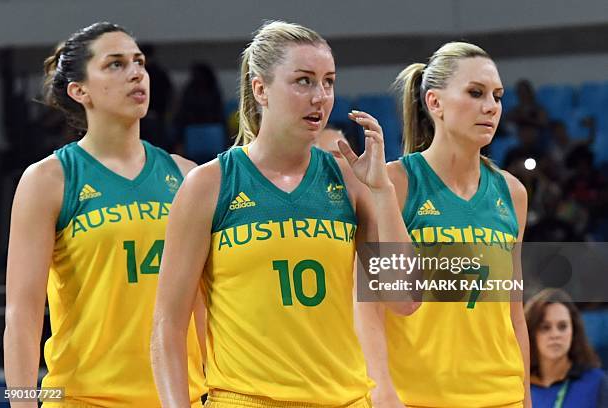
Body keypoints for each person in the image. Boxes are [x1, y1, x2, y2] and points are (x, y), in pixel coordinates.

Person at [151, 20, 416, 408]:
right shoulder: (209, 184)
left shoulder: (348, 178)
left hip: (346, 400)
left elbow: (404, 299)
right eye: (303, 81)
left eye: (328, 82)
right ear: (260, 89)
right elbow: (167, 327)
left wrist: (382, 192)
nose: (320, 96)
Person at [3, 22, 206, 407]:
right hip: (85, 399)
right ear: (80, 91)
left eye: (139, 62)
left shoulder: (188, 175)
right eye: (115, 64)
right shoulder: (48, 179)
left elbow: (205, 304)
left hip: (180, 399)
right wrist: (23, 404)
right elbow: (22, 316)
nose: (135, 73)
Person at [375, 42, 532, 407]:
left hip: (500, 396)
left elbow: (514, 311)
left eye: (497, 96)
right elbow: (369, 307)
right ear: (435, 103)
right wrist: (381, 388)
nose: (491, 106)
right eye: (475, 93)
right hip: (419, 397)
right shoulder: (393, 183)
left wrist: (525, 398)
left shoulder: (513, 192)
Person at [526, 289, 608, 408]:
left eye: (562, 326)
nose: (555, 334)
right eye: (545, 327)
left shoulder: (597, 382)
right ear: (532, 334)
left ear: (573, 331)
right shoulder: (520, 387)